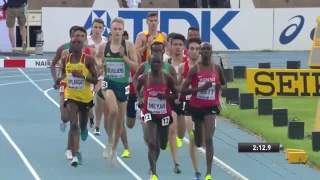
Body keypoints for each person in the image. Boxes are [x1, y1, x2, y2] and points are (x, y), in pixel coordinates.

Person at [180, 42, 227, 180]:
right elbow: (184, 89)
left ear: (211, 52)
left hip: (211, 106)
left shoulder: (217, 68)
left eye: (208, 49)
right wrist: (200, 89)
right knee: (199, 142)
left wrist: (220, 86)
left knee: (209, 137)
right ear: (200, 52)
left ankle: (208, 173)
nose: (205, 52)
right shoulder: (195, 69)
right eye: (203, 49)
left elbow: (225, 83)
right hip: (196, 107)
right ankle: (196, 132)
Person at [95, 17, 138, 166]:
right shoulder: (104, 45)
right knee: (112, 111)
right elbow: (97, 58)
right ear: (111, 30)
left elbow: (136, 67)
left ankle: (114, 148)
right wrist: (100, 64)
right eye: (115, 29)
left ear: (123, 31)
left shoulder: (129, 46)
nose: (117, 31)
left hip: (123, 86)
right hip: (108, 83)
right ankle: (109, 141)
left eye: (120, 29)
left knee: (120, 120)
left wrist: (123, 57)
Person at [51, 26, 93, 160]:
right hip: (67, 87)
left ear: (85, 39)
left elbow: (97, 69)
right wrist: (57, 81)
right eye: (76, 36)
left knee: (77, 122)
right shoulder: (64, 51)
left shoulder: (90, 52)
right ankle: (73, 145)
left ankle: (73, 148)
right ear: (72, 37)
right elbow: (54, 65)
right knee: (66, 118)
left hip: (84, 89)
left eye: (82, 36)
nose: (79, 39)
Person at [136, 52, 178, 180]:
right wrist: (139, 99)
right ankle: (153, 173)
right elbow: (137, 89)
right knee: (152, 143)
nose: (156, 64)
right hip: (149, 112)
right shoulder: (144, 78)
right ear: (149, 63)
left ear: (162, 63)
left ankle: (153, 165)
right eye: (153, 62)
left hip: (164, 114)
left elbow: (176, 95)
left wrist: (165, 96)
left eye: (158, 62)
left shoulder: (167, 78)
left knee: (162, 145)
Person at [177, 37, 202, 180]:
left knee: (203, 139)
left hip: (203, 105)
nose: (194, 51)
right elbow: (178, 85)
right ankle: (197, 172)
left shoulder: (207, 66)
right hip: (187, 104)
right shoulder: (183, 67)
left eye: (197, 49)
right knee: (191, 135)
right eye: (191, 49)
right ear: (187, 50)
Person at [163, 33, 188, 174]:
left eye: (180, 45)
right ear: (170, 46)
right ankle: (176, 163)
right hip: (170, 100)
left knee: (181, 135)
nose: (178, 47)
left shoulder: (188, 63)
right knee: (172, 130)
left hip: (184, 101)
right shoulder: (165, 63)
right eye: (175, 45)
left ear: (183, 47)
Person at [86, 18, 107, 134]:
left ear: (103, 29)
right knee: (89, 102)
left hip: (101, 75)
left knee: (100, 98)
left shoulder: (106, 42)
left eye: (100, 28)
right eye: (95, 27)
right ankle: (91, 116)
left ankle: (97, 127)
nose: (97, 30)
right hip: (89, 74)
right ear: (92, 28)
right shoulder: (86, 41)